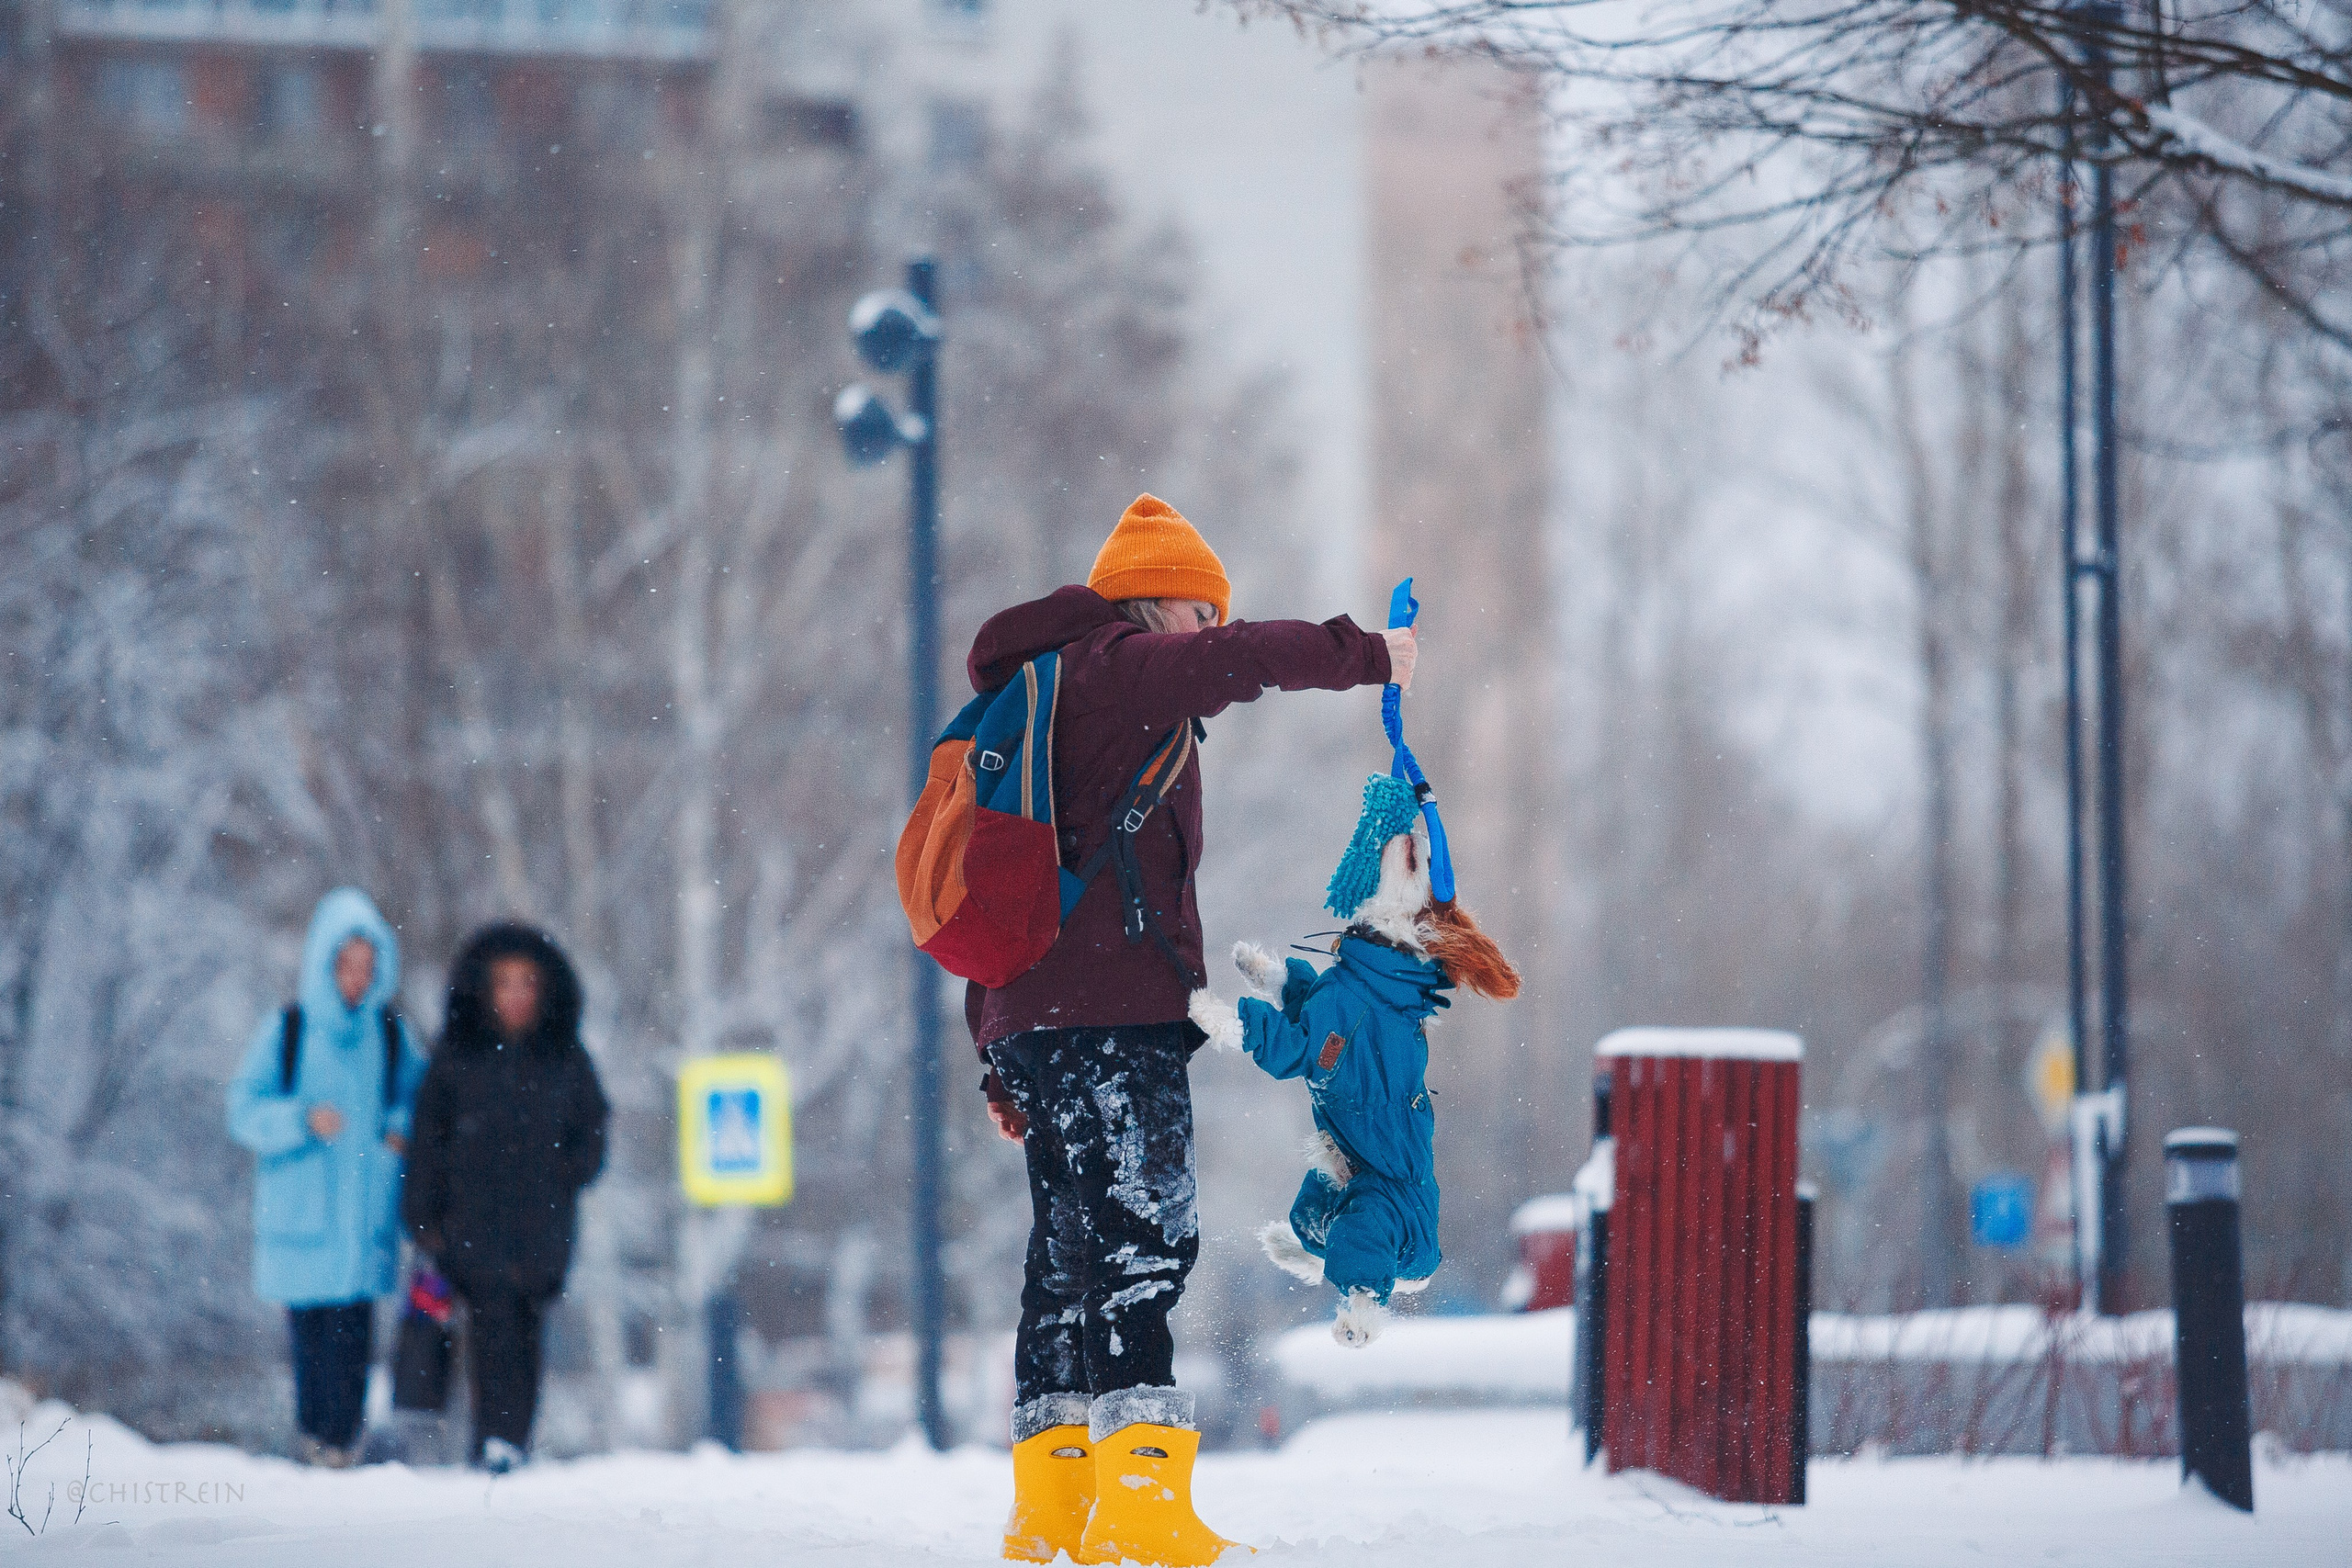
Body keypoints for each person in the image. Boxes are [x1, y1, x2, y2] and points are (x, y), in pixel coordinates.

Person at [973, 494, 1415, 1566]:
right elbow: (1244, 660)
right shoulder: (1117, 669)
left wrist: (998, 1049)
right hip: (1111, 1018)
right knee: (1142, 1243)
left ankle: (1056, 1513)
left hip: (1038, 1016)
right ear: (1157, 604)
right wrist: (1368, 656)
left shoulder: (1048, 691)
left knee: (1068, 1257)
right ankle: (1140, 1512)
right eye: (1201, 611)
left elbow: (1006, 877)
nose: (1212, 630)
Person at [226, 886, 427, 1468]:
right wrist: (300, 1121)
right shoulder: (286, 1031)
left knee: (356, 1344)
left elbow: (422, 1100)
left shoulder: (390, 1036)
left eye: (368, 966)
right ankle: (317, 1450)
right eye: (347, 965)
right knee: (311, 1347)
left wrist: (399, 1128)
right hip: (303, 1223)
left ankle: (343, 1452)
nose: (358, 979)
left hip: (363, 1222)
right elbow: (242, 1111)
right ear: (324, 962)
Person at [402, 922, 608, 1473]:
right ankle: (495, 1441)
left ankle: (510, 1440)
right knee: (488, 1331)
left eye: (527, 983)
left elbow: (593, 1127)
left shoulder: (565, 1058)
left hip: (541, 1229)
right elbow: (428, 1139)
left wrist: (569, 1169)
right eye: (504, 983)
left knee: (526, 1333)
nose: (516, 995)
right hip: (473, 1227)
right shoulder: (457, 1056)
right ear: (484, 989)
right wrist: (422, 1215)